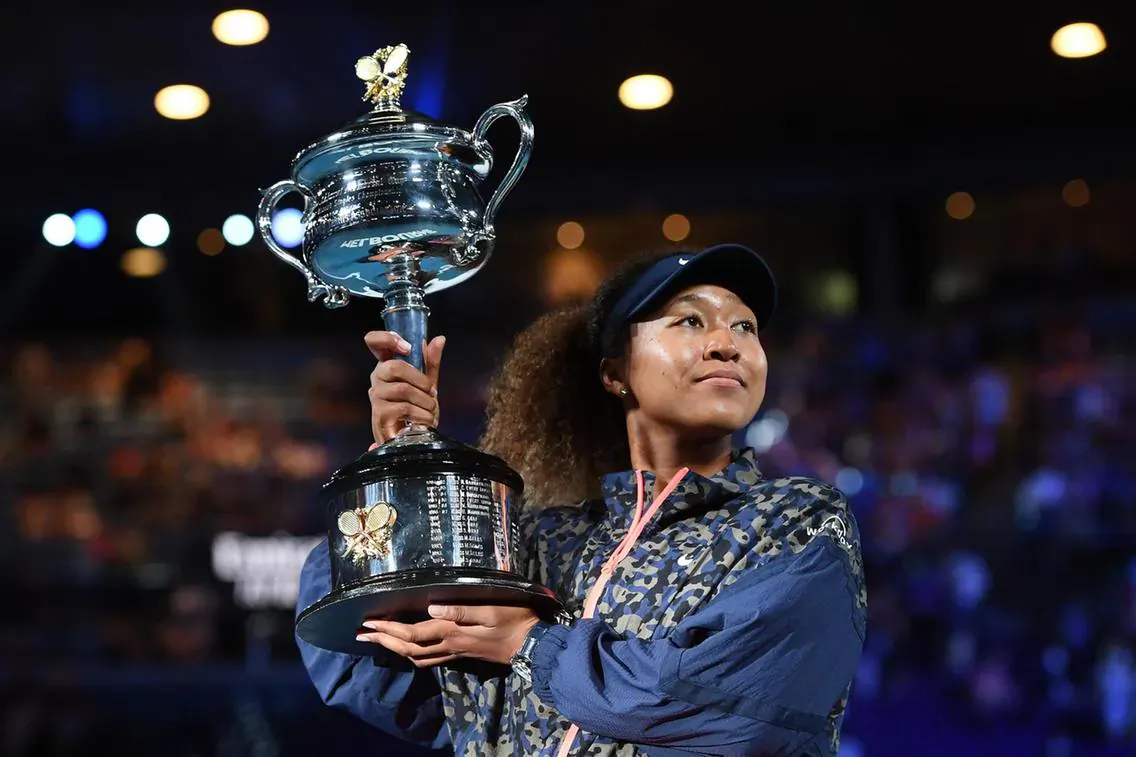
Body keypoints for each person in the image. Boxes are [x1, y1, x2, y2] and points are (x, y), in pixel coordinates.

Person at [295, 243, 867, 756]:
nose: (727, 344)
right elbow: (377, 679)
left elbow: (736, 706)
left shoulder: (798, 520)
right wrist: (399, 467)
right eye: (691, 320)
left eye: (746, 327)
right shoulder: (548, 543)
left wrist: (527, 643)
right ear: (615, 372)